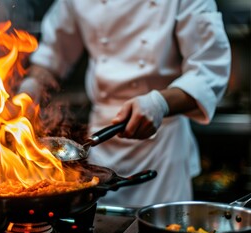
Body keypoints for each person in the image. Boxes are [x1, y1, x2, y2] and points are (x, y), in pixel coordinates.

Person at [18, 0, 231, 207]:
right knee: (101, 226)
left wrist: (159, 103)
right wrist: (31, 89)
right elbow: (53, 55)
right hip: (101, 146)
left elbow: (208, 72)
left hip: (161, 149)